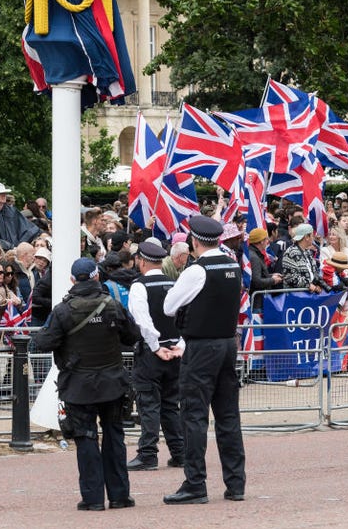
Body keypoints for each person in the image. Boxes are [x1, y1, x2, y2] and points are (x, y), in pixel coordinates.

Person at [32, 257, 140, 511]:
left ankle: (92, 499)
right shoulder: (112, 305)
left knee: (86, 438)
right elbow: (132, 336)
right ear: (96, 277)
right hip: (113, 383)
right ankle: (120, 495)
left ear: (73, 280)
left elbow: (43, 342)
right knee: (114, 436)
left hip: (79, 384)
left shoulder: (63, 310)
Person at [162, 215, 246, 505]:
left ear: (194, 242)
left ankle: (195, 483)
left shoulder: (197, 270)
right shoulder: (233, 265)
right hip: (227, 344)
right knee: (228, 416)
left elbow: (169, 306)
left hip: (201, 347)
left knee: (194, 417)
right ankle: (236, 483)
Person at [126, 242, 185, 472]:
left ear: (141, 260)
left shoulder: (139, 286)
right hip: (174, 349)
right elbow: (185, 316)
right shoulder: (174, 283)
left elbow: (142, 320)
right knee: (171, 404)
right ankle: (179, 452)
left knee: (148, 404)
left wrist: (154, 345)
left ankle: (148, 454)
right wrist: (179, 344)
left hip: (152, 352)